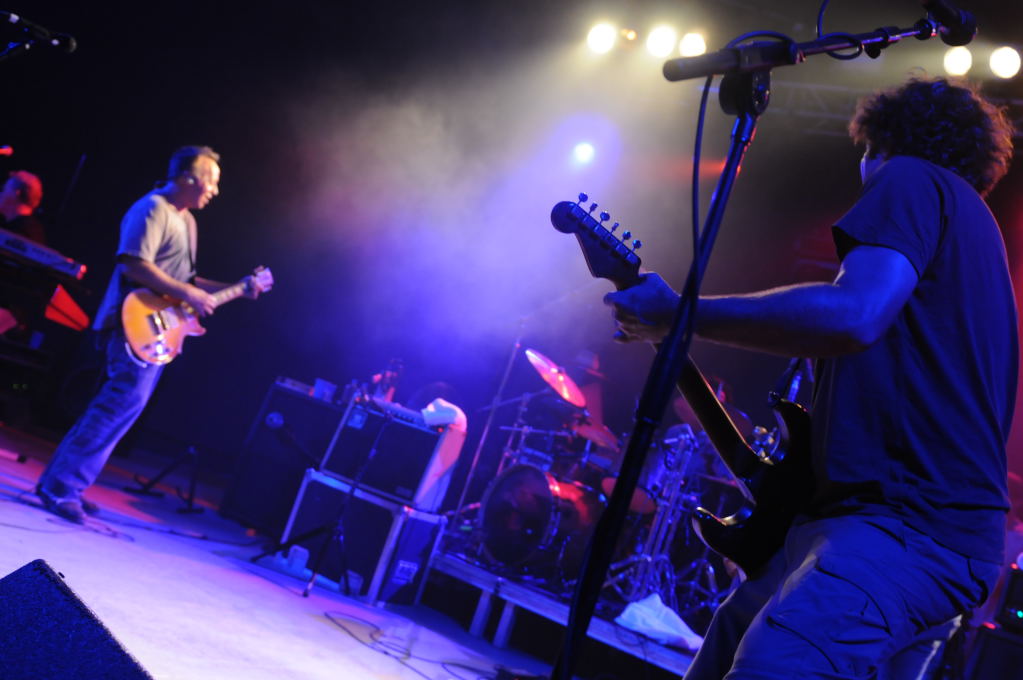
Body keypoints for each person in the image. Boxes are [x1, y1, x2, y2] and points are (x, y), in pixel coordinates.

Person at [605, 76, 1016, 679]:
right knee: (728, 649)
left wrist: (681, 314)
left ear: (878, 145)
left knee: (768, 666)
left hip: (901, 533)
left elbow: (853, 315)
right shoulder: (973, 234)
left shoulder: (910, 177)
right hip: (913, 533)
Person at [36, 145, 270, 523]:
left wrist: (238, 288)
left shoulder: (187, 221)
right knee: (117, 405)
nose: (215, 190)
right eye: (210, 181)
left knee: (122, 407)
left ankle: (65, 484)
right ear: (187, 178)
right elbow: (133, 264)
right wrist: (188, 293)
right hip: (131, 322)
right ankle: (62, 487)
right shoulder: (152, 209)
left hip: (157, 329)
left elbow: (185, 282)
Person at [0, 169, 46, 244]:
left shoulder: (23, 232)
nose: (1, 194)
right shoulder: (30, 228)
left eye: (4, 189)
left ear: (16, 193)